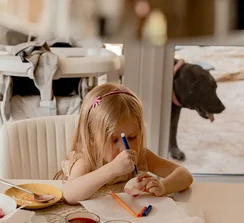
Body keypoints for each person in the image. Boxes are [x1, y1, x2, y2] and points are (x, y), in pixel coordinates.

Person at [56, 82, 193, 204]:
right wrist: (112, 169)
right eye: (114, 140)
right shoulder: (88, 161)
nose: (124, 147)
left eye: (132, 137)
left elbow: (185, 175)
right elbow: (69, 194)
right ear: (92, 138)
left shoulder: (140, 156)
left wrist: (164, 186)